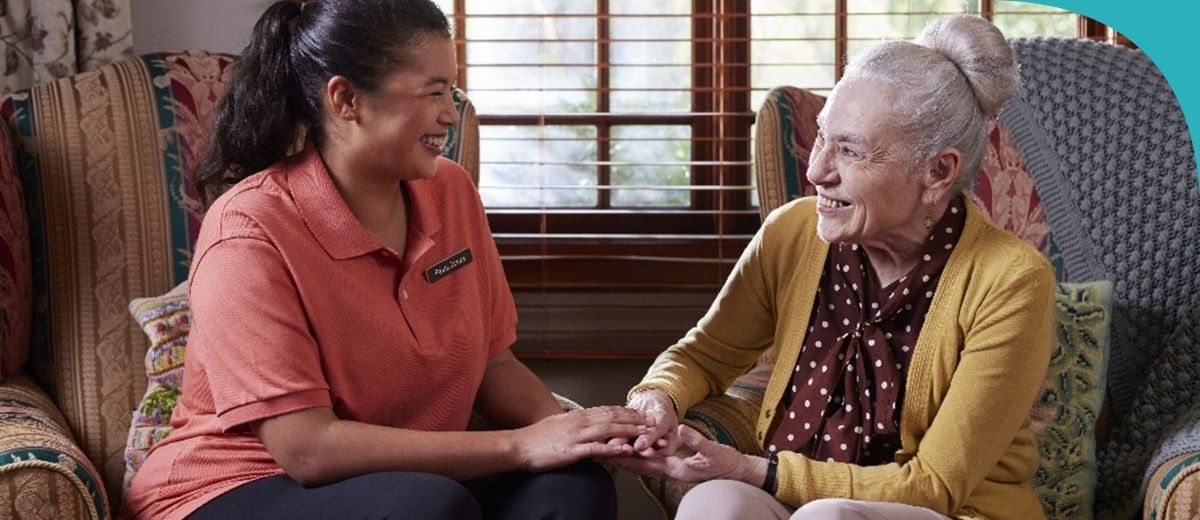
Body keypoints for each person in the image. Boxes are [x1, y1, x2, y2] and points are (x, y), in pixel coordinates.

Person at [122, 1, 649, 519]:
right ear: (346, 99)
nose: (451, 112)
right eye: (433, 92)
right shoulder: (248, 231)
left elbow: (494, 364)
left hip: (411, 477)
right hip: (236, 484)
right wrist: (521, 446)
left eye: (453, 90)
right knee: (425, 507)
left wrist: (572, 433)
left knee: (571, 488)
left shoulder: (452, 194)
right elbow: (307, 449)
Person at [612, 15, 1054, 520]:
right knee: (717, 504)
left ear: (938, 171)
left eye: (850, 150)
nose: (816, 170)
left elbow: (934, 485)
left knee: (829, 518)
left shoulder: (1011, 280)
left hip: (948, 512)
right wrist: (658, 397)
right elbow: (704, 357)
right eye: (822, 138)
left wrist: (757, 471)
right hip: (799, 498)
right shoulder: (793, 234)